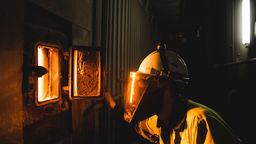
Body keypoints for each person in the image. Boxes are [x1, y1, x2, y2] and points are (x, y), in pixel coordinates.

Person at [104, 44, 241, 144]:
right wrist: (108, 98)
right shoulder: (160, 122)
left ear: (167, 86)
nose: (141, 92)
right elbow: (134, 123)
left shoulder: (200, 122)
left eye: (146, 85)